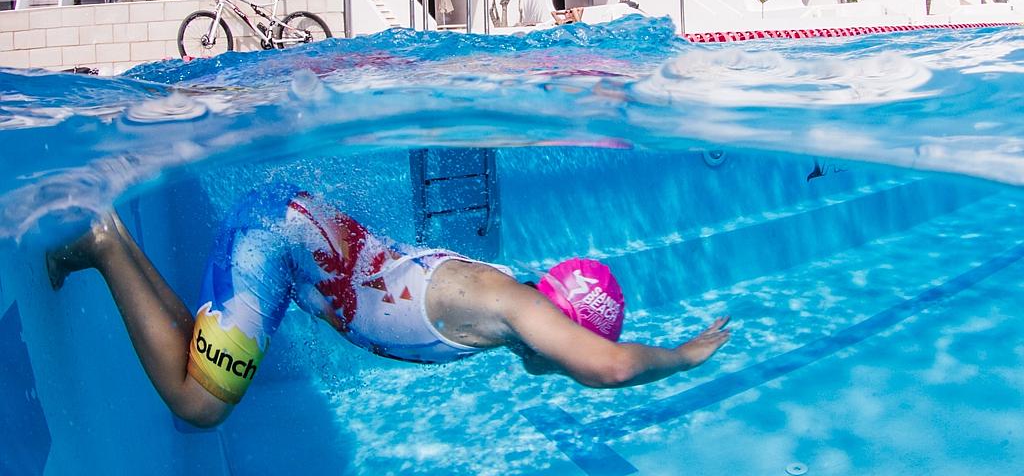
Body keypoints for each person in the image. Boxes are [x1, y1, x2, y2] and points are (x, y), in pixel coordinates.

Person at [47, 184, 730, 429]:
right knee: (200, 407)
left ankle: (112, 245)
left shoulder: (509, 299)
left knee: (206, 376)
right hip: (279, 236)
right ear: (568, 325)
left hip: (295, 247)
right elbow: (607, 368)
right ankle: (105, 242)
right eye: (571, 343)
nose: (563, 359)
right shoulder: (515, 306)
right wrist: (684, 356)